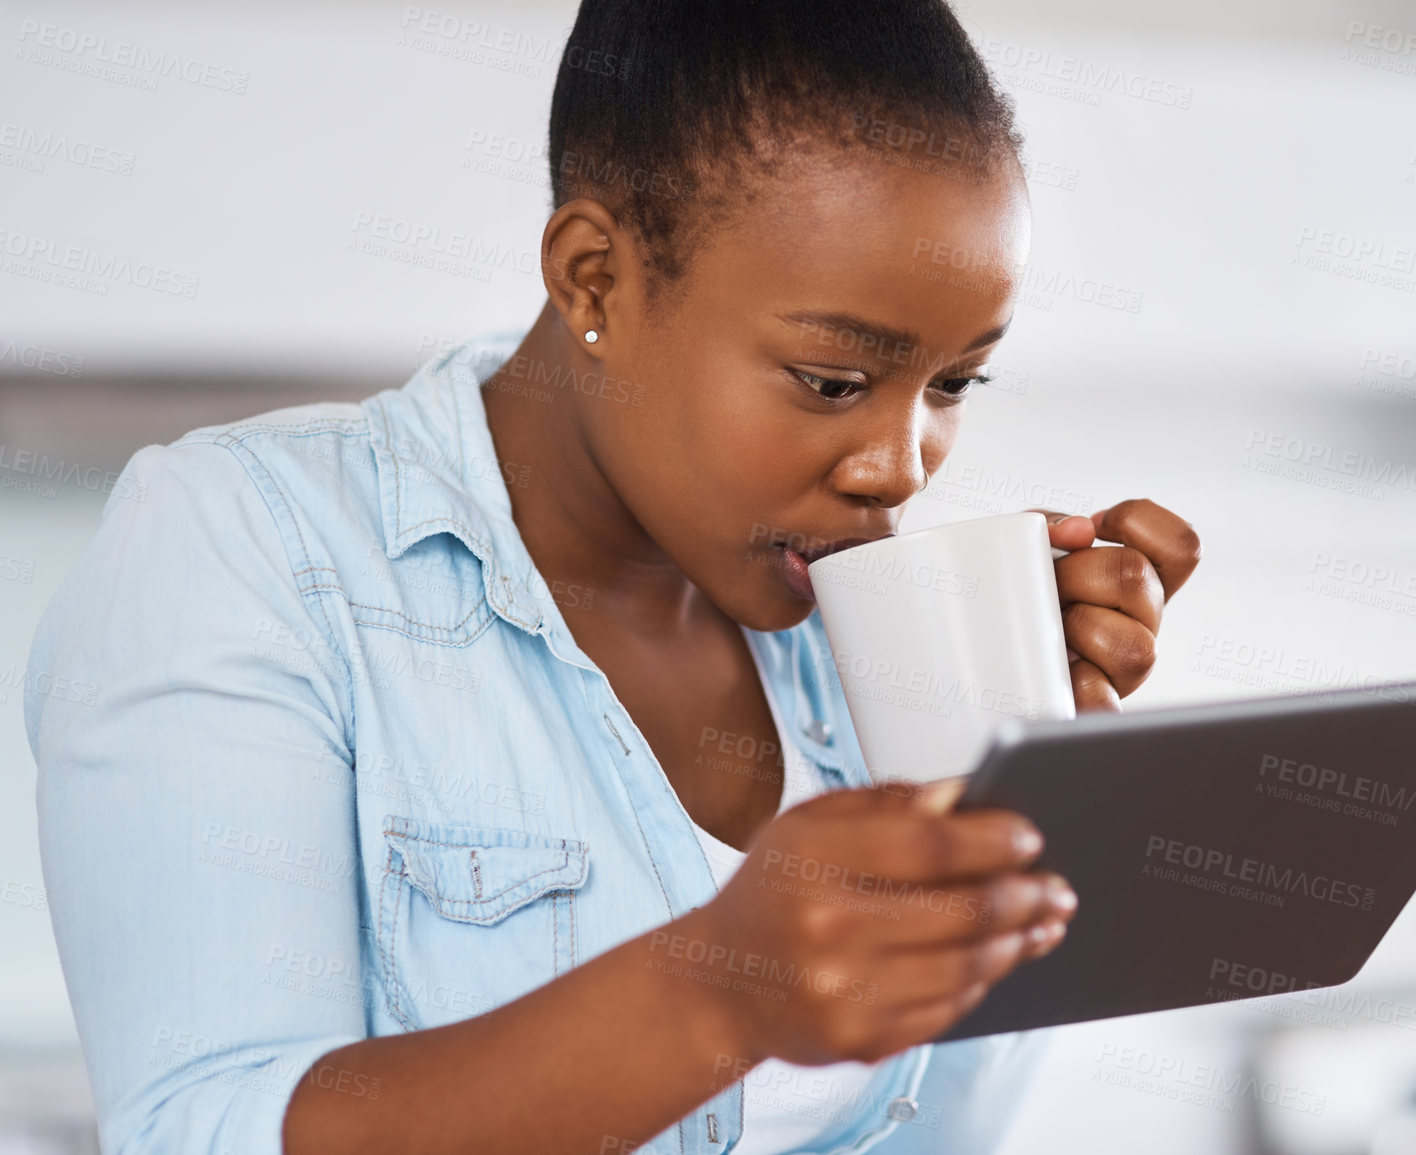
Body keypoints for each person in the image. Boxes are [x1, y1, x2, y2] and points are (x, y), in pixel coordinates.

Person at [24, 1, 1202, 1152]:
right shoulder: (248, 548)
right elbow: (200, 1128)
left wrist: (1012, 767)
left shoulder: (866, 634)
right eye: (834, 381)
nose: (898, 470)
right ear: (593, 279)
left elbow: (941, 1128)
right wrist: (712, 997)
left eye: (953, 385)